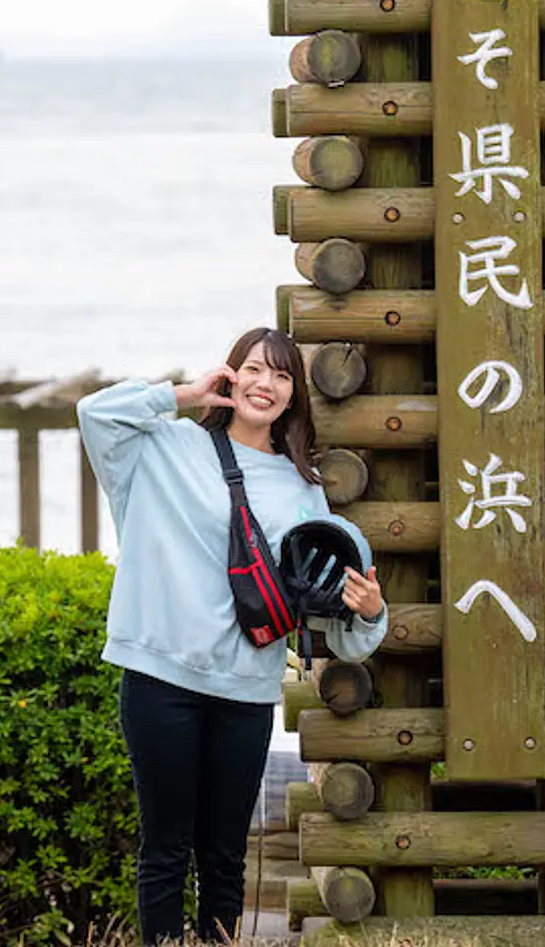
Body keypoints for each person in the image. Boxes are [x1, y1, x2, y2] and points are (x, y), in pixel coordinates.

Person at [79, 326, 387, 943]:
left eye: (280, 376)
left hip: (245, 691)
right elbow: (94, 413)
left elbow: (326, 615)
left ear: (295, 396)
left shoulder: (305, 488)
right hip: (160, 677)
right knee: (164, 847)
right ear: (230, 376)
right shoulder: (161, 448)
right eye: (252, 369)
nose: (264, 384)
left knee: (223, 855)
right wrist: (181, 394)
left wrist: (371, 612)